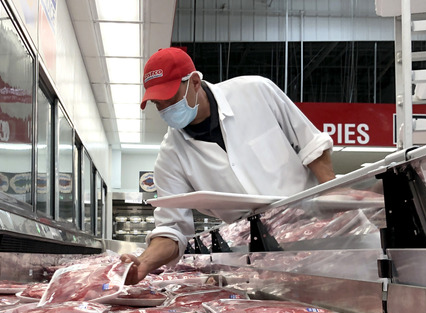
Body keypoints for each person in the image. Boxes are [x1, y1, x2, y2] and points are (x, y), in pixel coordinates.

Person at [121, 47, 336, 284]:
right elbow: (172, 229)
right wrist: (145, 262)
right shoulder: (171, 155)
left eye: (170, 99)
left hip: (318, 229)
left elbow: (311, 144)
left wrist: (333, 198)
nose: (165, 110)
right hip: (259, 254)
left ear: (194, 82)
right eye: (157, 104)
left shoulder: (255, 91)